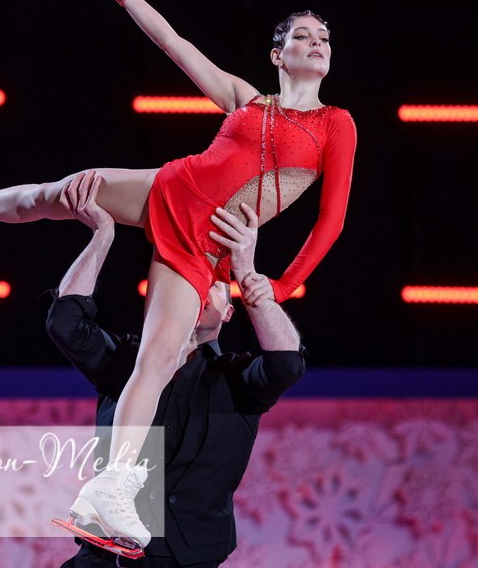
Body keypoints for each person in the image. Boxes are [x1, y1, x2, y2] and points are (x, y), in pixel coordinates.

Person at [0, 0, 354, 549]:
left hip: (203, 243)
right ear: (277, 54)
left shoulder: (335, 125)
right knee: (65, 191)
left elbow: (331, 220)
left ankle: (109, 490)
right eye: (303, 36)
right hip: (171, 188)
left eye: (324, 38)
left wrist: (279, 286)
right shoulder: (246, 99)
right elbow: (175, 45)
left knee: (156, 361)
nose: (317, 43)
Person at [46, 172, 305, 567]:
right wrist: (102, 236)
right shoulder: (126, 362)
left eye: (211, 283)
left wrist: (247, 274)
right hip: (105, 558)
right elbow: (65, 324)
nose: (196, 289)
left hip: (190, 559)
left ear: (229, 311)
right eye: (186, 282)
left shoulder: (234, 380)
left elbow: (286, 363)